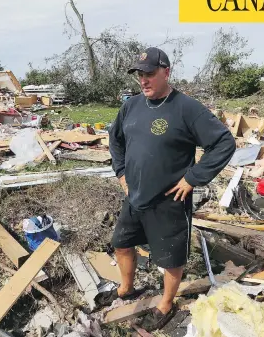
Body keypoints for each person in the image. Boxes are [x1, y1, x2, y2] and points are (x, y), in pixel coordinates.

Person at [98, 47, 236, 331]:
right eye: (139, 74)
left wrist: (193, 178)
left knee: (170, 257)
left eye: (149, 74)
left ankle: (166, 304)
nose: (143, 80)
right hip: (135, 196)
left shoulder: (186, 108)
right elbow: (116, 139)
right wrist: (121, 172)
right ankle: (126, 289)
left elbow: (223, 143)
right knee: (121, 243)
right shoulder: (132, 106)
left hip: (169, 199)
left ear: (166, 72)